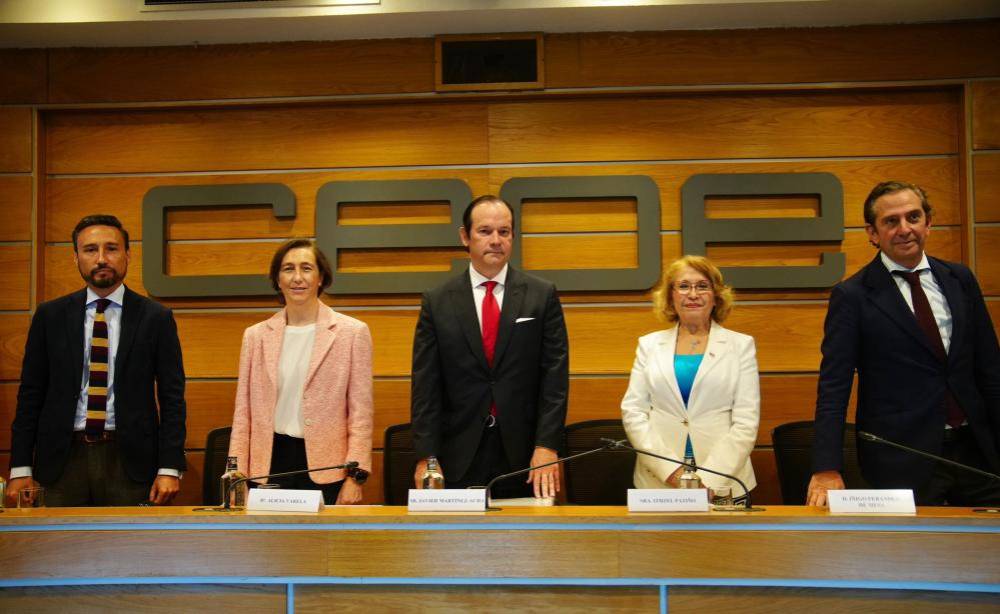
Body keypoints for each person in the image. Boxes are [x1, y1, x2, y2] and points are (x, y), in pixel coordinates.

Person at [808, 181, 1000, 507]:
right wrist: (826, 467)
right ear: (872, 233)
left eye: (913, 217)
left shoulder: (960, 279)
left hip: (977, 451)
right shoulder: (852, 296)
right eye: (891, 221)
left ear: (928, 222)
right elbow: (834, 386)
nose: (904, 229)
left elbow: (991, 368)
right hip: (902, 457)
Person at [8, 214, 186, 506]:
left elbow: (172, 398)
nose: (101, 258)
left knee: (130, 538)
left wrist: (169, 467)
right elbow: (30, 394)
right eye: (90, 249)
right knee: (57, 538)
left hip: (130, 463)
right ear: (76, 257)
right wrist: (20, 467)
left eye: (111, 248)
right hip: (61, 462)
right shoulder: (50, 316)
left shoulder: (156, 318)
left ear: (128, 254)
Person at [410, 195, 569, 499]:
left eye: (504, 232)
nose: (496, 240)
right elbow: (425, 386)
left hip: (526, 457)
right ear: (465, 236)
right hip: (456, 454)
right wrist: (427, 457)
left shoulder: (541, 295)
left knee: (527, 530)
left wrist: (547, 445)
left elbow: (555, 379)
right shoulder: (437, 301)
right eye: (485, 231)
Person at [228, 239, 373, 505]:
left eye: (306, 268)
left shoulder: (352, 333)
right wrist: (235, 476)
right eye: (288, 269)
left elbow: (360, 413)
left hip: (328, 468)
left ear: (321, 277)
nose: (297, 277)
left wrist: (356, 477)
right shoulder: (255, 336)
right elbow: (243, 413)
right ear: (278, 279)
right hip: (269, 463)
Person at [621, 255, 760, 497]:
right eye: (684, 286)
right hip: (659, 481)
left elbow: (746, 420)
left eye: (702, 286)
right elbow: (633, 411)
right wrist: (672, 473)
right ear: (671, 296)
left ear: (716, 296)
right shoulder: (649, 345)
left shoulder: (741, 345)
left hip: (723, 481)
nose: (693, 294)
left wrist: (710, 481)